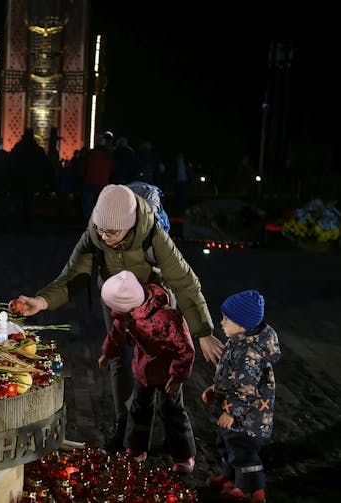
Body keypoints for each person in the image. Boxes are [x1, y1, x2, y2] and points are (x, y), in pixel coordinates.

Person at [14, 184, 221, 450]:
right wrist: (42, 301)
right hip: (115, 301)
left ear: (131, 224)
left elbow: (185, 282)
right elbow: (74, 274)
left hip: (153, 303)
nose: (105, 237)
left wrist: (202, 332)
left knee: (164, 357)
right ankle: (124, 423)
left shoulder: (153, 234)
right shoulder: (96, 232)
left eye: (112, 232)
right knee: (117, 360)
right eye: (100, 230)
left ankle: (173, 427)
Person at [98, 271, 197, 473]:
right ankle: (136, 447)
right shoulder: (125, 315)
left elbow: (186, 349)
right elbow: (116, 334)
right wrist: (107, 354)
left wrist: (177, 376)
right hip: (143, 370)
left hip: (168, 373)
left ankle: (183, 453)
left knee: (173, 411)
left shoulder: (168, 318)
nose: (113, 313)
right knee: (139, 409)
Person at [201, 290, 280, 503]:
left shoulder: (249, 353)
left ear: (242, 324)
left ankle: (250, 490)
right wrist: (215, 389)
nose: (221, 322)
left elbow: (245, 389)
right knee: (227, 444)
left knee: (243, 451)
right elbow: (230, 377)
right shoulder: (239, 341)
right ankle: (230, 478)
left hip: (248, 417)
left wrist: (231, 412)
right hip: (234, 410)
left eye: (227, 319)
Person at [81, 131, 114, 220]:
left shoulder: (89, 154)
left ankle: (89, 221)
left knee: (88, 204)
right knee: (99, 204)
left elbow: (83, 168)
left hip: (89, 181)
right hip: (102, 182)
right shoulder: (108, 156)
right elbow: (111, 170)